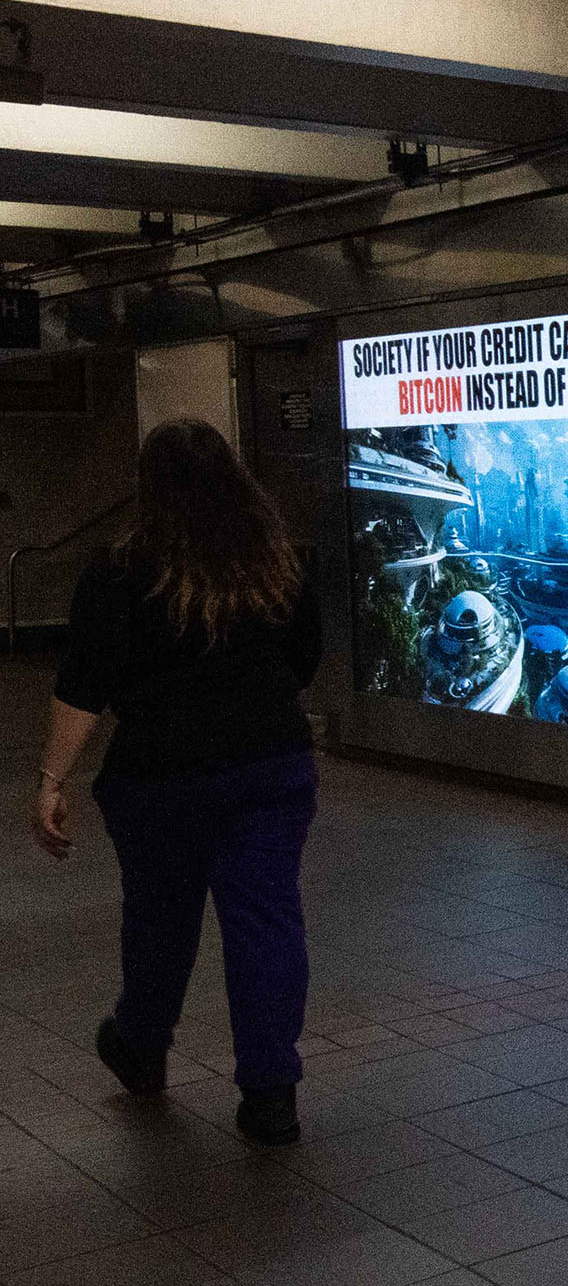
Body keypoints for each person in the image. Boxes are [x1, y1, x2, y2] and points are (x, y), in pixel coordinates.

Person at [26, 419, 322, 1146]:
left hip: (160, 778)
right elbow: (304, 657)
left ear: (148, 487)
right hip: (269, 766)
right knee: (266, 922)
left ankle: (140, 1045)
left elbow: (84, 684)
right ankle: (270, 1095)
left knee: (160, 920)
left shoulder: (119, 572)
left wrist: (52, 780)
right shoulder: (279, 561)